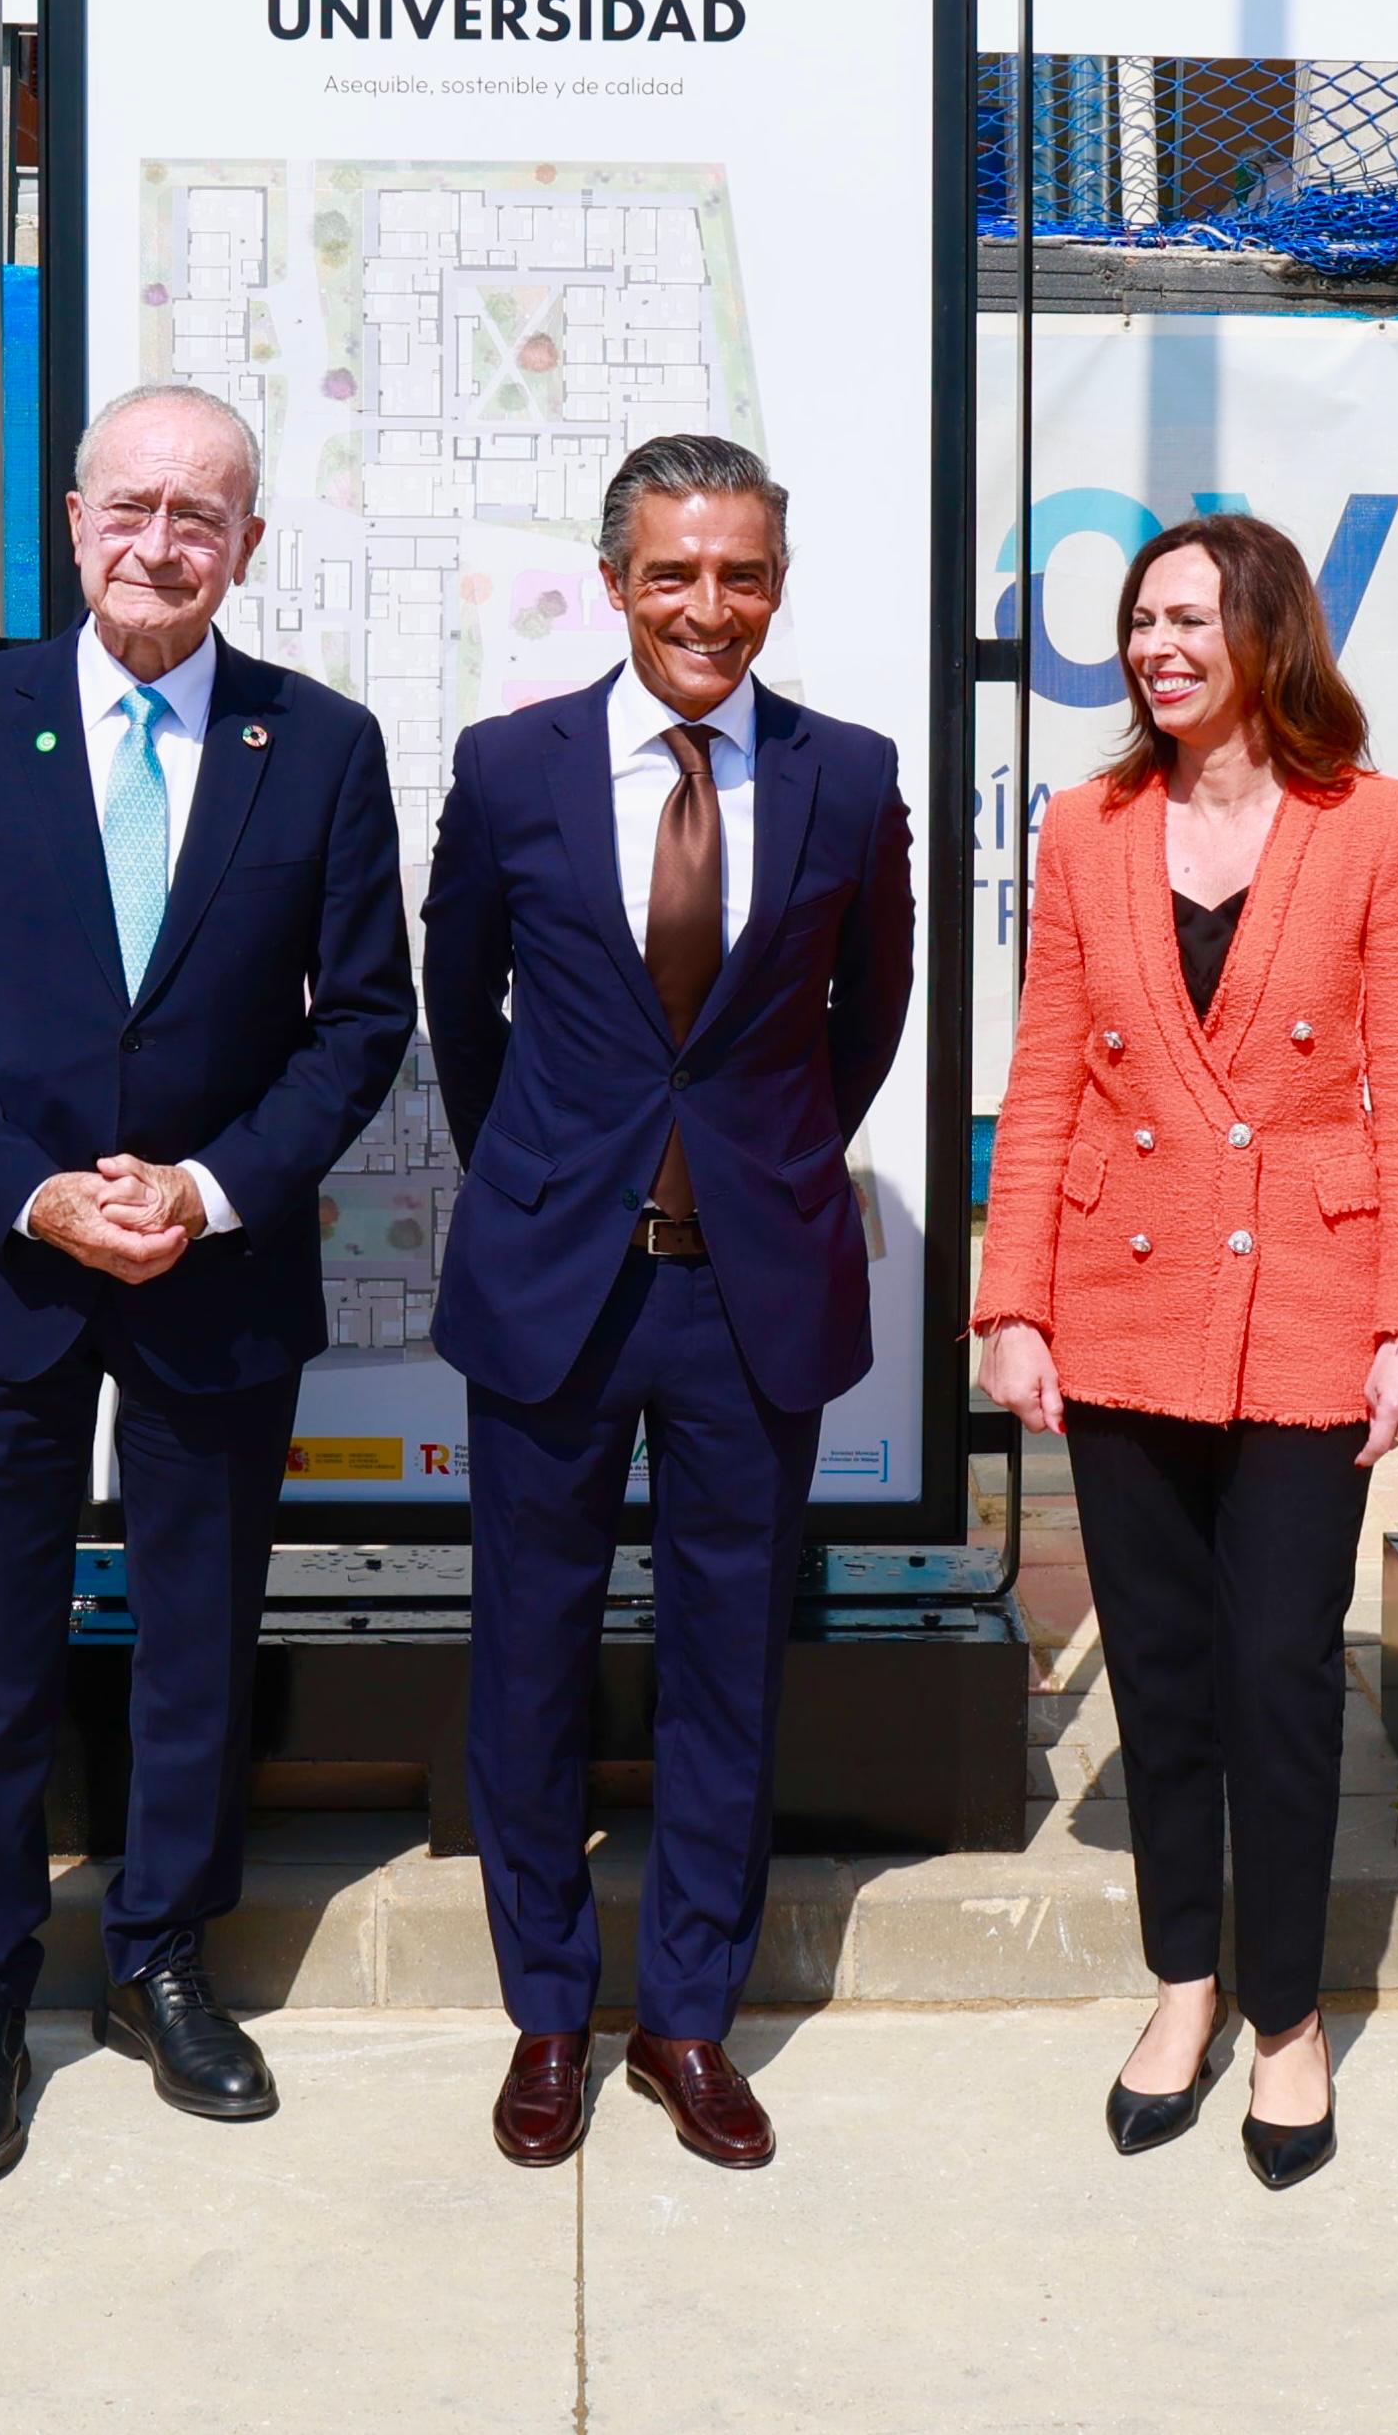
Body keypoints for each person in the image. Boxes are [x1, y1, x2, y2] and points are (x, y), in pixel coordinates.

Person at [0, 383, 412, 2187]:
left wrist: (209, 1187)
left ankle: (162, 1956)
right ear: (75, 520)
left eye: (201, 515)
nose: (162, 543)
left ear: (248, 544)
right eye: (134, 507)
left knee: (195, 1636)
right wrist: (33, 1194)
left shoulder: (318, 743)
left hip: (210, 1269)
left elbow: (361, 1021)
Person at [424, 432, 915, 2175]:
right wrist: (553, 1180)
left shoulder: (849, 776)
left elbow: (865, 1018)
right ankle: (549, 2012)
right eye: (673, 572)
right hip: (553, 1284)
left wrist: (759, 1169)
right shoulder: (510, 768)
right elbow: (462, 1013)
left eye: (740, 573)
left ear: (776, 581)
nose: (709, 606)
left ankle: (686, 2017)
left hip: (750, 1295)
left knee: (729, 1664)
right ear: (614, 580)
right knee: (528, 1661)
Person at [974, 515, 1398, 2193]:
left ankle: (1286, 2013)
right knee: (1162, 1672)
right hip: (1116, 1303)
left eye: (1186, 616)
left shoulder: (1377, 824)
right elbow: (1044, 1072)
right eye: (1137, 620)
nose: (1153, 646)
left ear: (1267, 632)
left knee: (1276, 1671)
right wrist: (1012, 1300)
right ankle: (1183, 1982)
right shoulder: (1086, 823)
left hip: (1313, 1306)